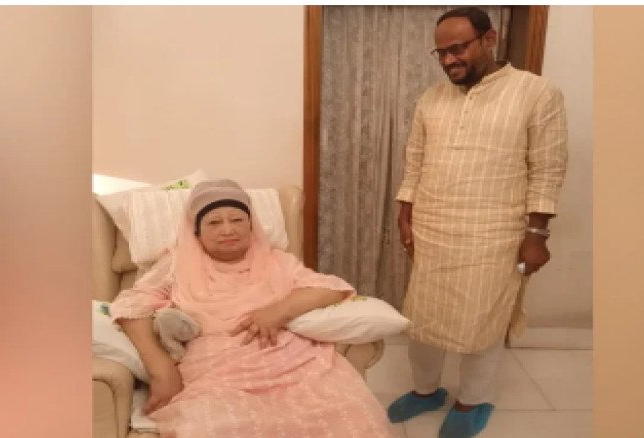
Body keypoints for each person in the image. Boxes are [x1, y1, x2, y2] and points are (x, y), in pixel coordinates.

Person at [387, 6, 568, 438]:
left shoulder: (536, 93)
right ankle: (426, 390)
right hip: (433, 227)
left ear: (489, 39)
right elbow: (415, 162)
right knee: (423, 319)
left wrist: (537, 235)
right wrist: (405, 216)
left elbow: (547, 168)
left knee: (482, 320)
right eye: (441, 53)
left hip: (494, 232)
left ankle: (472, 400)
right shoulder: (431, 99)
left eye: (458, 49)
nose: (449, 60)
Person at [110, 179, 395, 437]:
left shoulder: (277, 261)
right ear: (196, 231)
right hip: (216, 371)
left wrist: (279, 311)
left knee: (355, 415)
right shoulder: (176, 264)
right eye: (214, 222)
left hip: (292, 362)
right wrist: (161, 369)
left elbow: (331, 288)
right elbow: (131, 305)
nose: (228, 230)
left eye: (237, 219)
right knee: (210, 427)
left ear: (251, 225)